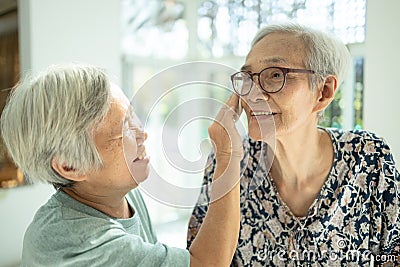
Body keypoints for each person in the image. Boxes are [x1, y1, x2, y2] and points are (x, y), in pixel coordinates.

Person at [187, 22, 400, 266]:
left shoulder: (370, 157)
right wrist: (227, 158)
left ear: (324, 92)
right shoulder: (228, 159)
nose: (253, 94)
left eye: (276, 75)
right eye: (247, 78)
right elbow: (198, 261)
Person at [0, 63, 244, 267]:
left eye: (132, 114)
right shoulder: (76, 243)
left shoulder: (120, 194)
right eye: (125, 127)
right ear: (70, 166)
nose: (142, 134)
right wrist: (227, 155)